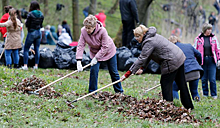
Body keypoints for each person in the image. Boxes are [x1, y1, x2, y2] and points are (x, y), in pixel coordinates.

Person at [121, 25, 194, 109]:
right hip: (179, 57)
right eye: (135, 36)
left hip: (171, 61)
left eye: (138, 36)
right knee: (182, 84)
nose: (136, 38)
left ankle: (168, 107)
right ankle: (189, 107)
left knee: (165, 83)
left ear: (144, 34)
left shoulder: (149, 41)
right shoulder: (153, 35)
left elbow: (142, 58)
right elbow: (148, 55)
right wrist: (142, 68)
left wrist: (128, 73)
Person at [76, 15, 123, 93]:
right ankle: (92, 92)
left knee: (113, 72)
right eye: (86, 27)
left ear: (94, 26)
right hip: (95, 53)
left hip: (109, 51)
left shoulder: (102, 31)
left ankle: (119, 92)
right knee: (93, 71)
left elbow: (105, 46)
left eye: (89, 28)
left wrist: (96, 58)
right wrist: (78, 60)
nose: (87, 30)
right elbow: (81, 45)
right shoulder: (83, 31)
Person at [168, 36, 203, 101]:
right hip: (196, 72)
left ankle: (176, 104)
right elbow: (199, 54)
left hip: (185, 72)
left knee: (173, 88)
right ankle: (198, 102)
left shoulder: (173, 49)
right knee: (194, 91)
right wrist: (198, 64)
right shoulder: (188, 45)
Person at [194, 23, 220, 99]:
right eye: (208, 29)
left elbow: (217, 49)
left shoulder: (214, 38)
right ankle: (205, 94)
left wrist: (219, 59)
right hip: (203, 61)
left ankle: (214, 94)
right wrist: (196, 60)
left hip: (212, 60)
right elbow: (195, 49)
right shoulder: (198, 38)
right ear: (204, 30)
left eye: (210, 29)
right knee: (204, 79)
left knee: (212, 79)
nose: (209, 31)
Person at [21, 1, 44, 70]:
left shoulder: (30, 14)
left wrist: (26, 23)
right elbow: (41, 25)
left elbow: (27, 24)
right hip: (38, 32)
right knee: (37, 49)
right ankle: (36, 65)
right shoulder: (41, 14)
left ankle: (25, 66)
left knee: (26, 49)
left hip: (31, 32)